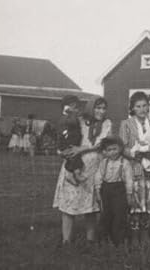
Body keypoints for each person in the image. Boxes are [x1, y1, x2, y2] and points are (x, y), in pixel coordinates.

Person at [52, 97, 112, 244]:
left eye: (103, 108)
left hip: (93, 167)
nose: (101, 111)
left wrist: (82, 148)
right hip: (75, 164)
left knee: (91, 206)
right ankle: (66, 239)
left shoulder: (106, 124)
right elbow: (66, 133)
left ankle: (90, 239)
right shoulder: (79, 121)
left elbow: (102, 143)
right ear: (91, 108)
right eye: (97, 108)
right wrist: (65, 150)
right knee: (69, 203)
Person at [119, 91, 150, 246]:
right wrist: (136, 153)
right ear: (132, 108)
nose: (142, 109)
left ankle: (145, 233)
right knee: (136, 202)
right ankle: (134, 234)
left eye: (144, 106)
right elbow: (122, 147)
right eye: (138, 106)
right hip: (134, 166)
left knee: (149, 200)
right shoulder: (126, 124)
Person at [94, 136, 133, 246]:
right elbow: (98, 176)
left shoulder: (124, 163)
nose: (112, 152)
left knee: (119, 214)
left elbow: (129, 179)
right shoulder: (103, 163)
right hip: (106, 190)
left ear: (120, 148)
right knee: (106, 214)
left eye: (114, 149)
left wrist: (129, 194)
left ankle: (119, 240)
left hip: (119, 190)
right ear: (105, 152)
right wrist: (97, 190)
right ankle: (104, 238)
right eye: (109, 150)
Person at [57, 95, 85, 183]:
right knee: (73, 157)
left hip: (72, 141)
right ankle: (71, 174)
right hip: (67, 141)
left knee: (75, 158)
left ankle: (74, 174)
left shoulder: (70, 115)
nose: (75, 108)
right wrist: (73, 113)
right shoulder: (66, 116)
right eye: (72, 105)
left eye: (75, 105)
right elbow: (69, 125)